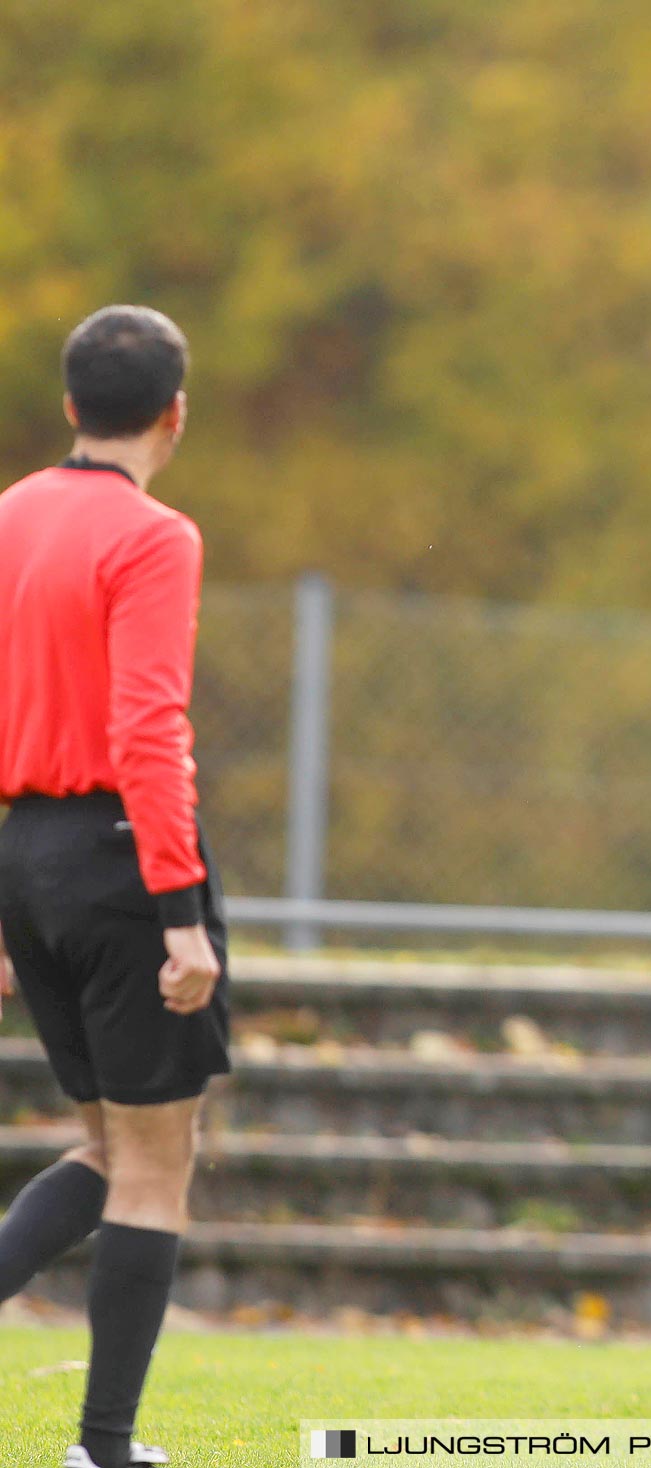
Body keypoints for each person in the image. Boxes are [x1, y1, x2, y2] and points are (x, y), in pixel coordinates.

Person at [0, 306, 227, 1468]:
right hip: (119, 860)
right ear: (173, 414)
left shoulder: (10, 516)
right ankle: (106, 1448)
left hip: (24, 859)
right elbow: (148, 727)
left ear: (71, 404)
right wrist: (182, 919)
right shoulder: (155, 536)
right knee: (154, 1164)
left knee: (102, 1146)